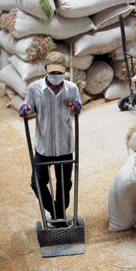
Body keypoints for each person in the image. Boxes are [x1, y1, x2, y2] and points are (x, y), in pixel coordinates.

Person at [19, 51, 82, 221]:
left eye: (59, 72)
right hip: (44, 147)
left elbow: (78, 108)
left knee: (65, 185)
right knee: (37, 183)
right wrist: (24, 110)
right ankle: (56, 213)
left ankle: (60, 215)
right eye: (52, 72)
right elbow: (28, 107)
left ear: (64, 71)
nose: (55, 76)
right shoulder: (35, 89)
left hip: (65, 145)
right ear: (46, 69)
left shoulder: (72, 88)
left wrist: (76, 107)